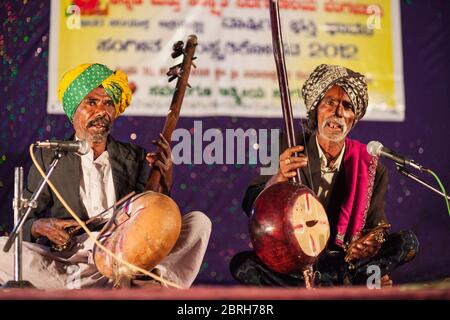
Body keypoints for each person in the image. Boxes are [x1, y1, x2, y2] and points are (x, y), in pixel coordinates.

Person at [0, 63, 211, 289]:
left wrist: (166, 178)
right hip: (70, 262)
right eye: (91, 102)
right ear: (74, 110)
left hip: (123, 256)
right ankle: (105, 286)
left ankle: (151, 280)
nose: (101, 111)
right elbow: (22, 222)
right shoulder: (49, 156)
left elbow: (151, 217)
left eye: (108, 103)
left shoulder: (133, 156)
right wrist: (42, 226)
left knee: (198, 222)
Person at [230, 64, 419, 287]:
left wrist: (372, 243)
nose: (337, 112)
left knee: (407, 242)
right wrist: (279, 176)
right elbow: (250, 204)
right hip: (296, 262)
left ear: (354, 118)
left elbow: (376, 227)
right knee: (242, 265)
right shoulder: (286, 145)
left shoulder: (372, 168)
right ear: (316, 109)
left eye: (347, 106)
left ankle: (343, 284)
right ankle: (350, 287)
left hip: (341, 262)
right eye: (329, 102)